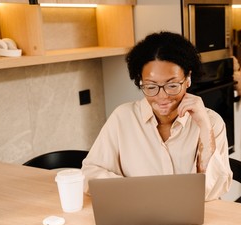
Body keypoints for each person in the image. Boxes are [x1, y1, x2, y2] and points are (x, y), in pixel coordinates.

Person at [81, 31, 232, 201]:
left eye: (172, 85)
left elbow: (215, 189)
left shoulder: (211, 122)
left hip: (194, 220)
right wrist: (137, 192)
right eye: (151, 87)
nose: (162, 97)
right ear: (140, 81)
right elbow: (90, 173)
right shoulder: (122, 118)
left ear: (188, 78)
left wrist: (204, 127)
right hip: (138, 216)